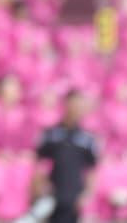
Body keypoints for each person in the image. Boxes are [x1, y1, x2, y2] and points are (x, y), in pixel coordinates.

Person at [34, 89, 99, 223]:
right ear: (65, 105)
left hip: (75, 197)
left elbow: (92, 170)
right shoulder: (51, 134)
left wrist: (87, 194)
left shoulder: (87, 139)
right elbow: (40, 163)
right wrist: (41, 187)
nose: (75, 109)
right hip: (52, 195)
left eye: (79, 105)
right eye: (73, 104)